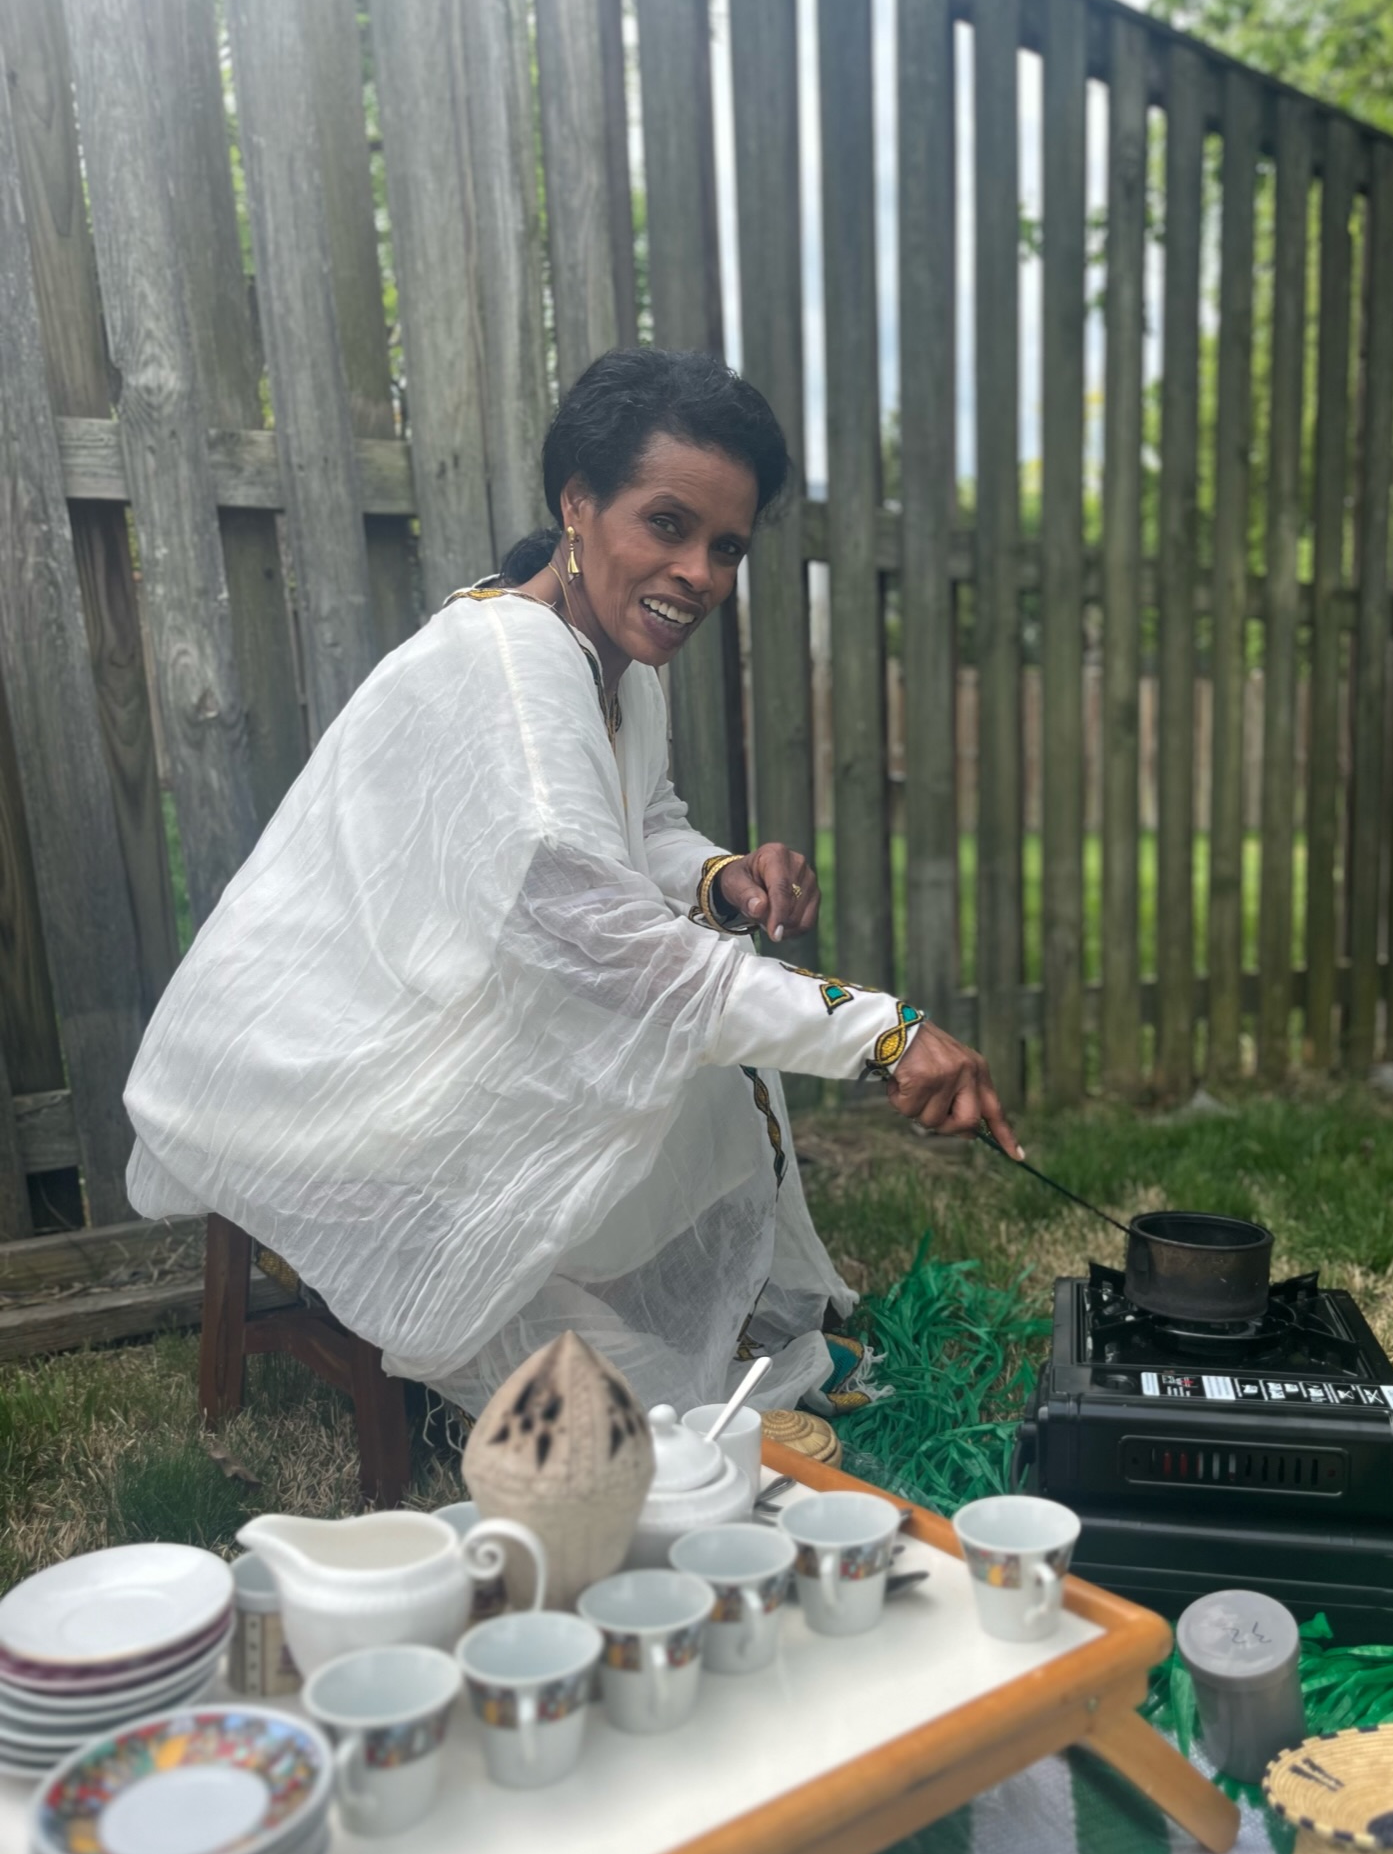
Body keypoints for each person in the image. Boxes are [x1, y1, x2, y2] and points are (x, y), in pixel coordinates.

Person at [124, 348, 1021, 1416]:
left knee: (695, 1024)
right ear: (578, 504)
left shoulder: (610, 658)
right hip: (325, 1055)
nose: (700, 573)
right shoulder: (513, 667)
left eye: (727, 547)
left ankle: (692, 1320)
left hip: (430, 1000)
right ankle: (641, 1350)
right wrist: (882, 1032)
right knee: (663, 1037)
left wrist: (723, 879)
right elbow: (603, 940)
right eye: (668, 525)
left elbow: (641, 823)